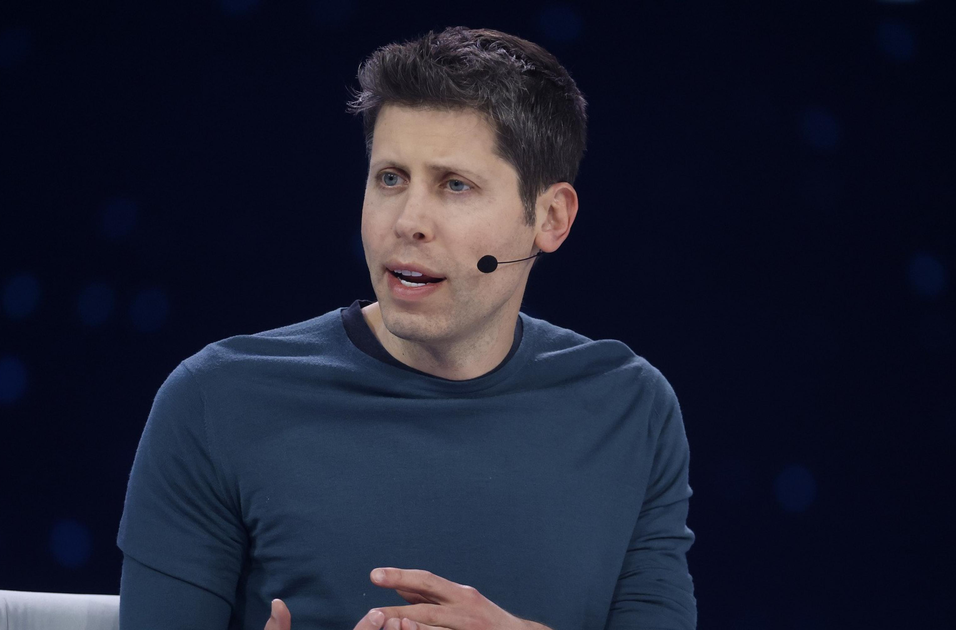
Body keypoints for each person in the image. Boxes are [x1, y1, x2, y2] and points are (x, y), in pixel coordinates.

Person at [117, 26, 697, 630]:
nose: (409, 222)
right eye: (390, 178)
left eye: (455, 186)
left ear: (550, 218)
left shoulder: (630, 408)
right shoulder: (216, 401)